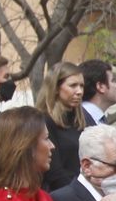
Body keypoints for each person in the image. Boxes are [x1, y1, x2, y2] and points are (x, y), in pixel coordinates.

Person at [36, 61, 87, 190]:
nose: (79, 91)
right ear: (56, 88)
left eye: (81, 86)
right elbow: (54, 172)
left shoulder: (81, 121)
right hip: (58, 194)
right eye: (73, 85)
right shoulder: (44, 121)